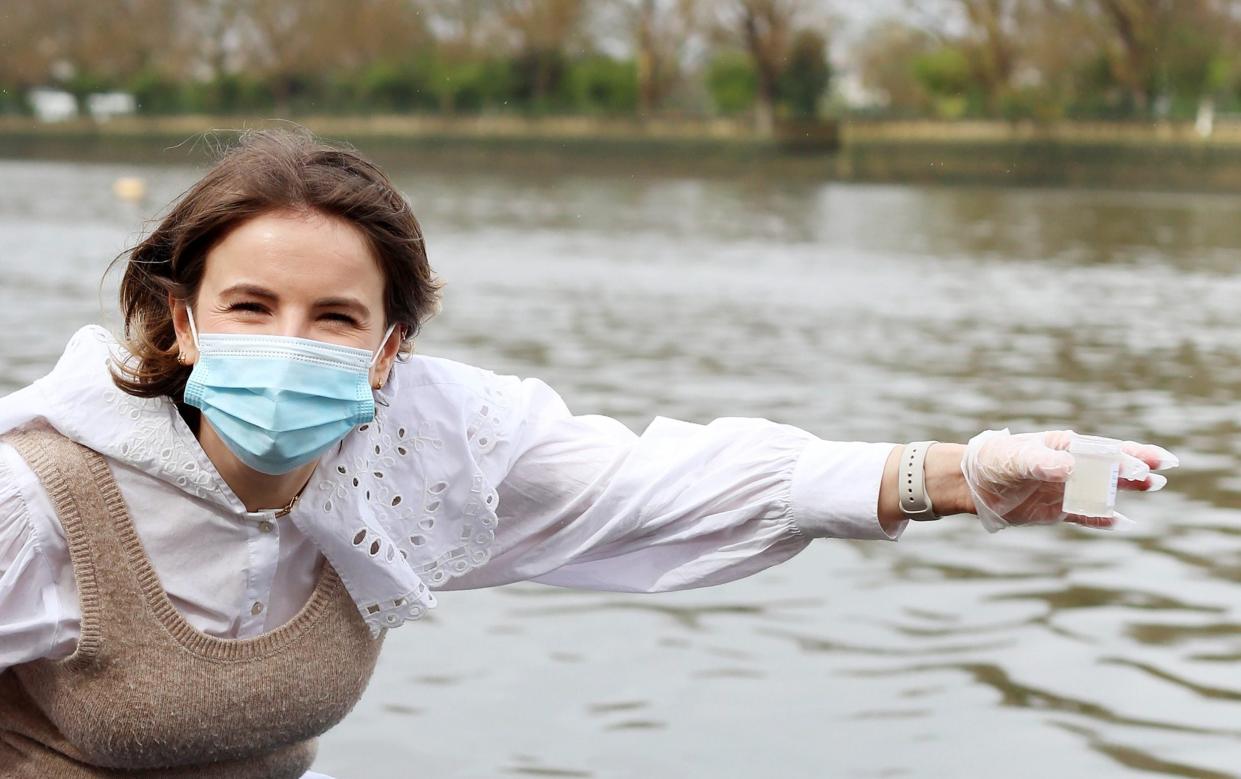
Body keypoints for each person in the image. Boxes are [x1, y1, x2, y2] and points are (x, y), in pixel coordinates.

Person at [0, 129, 1178, 778]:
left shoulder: (413, 462)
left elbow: (661, 484)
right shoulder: (42, 494)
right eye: (250, 308)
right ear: (186, 319)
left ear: (388, 348)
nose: (288, 343)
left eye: (336, 317)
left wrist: (965, 473)